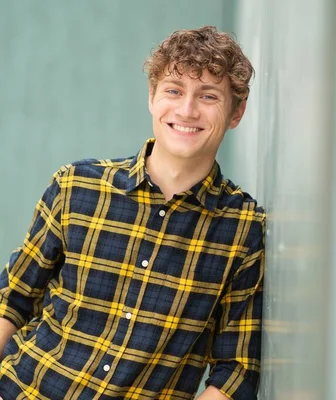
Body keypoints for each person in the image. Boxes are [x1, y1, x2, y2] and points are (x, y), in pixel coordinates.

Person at [0, 26, 264, 400]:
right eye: (174, 90)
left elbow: (235, 371)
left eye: (208, 96)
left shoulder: (244, 228)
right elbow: (13, 299)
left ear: (236, 113)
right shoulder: (76, 185)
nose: (187, 110)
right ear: (153, 98)